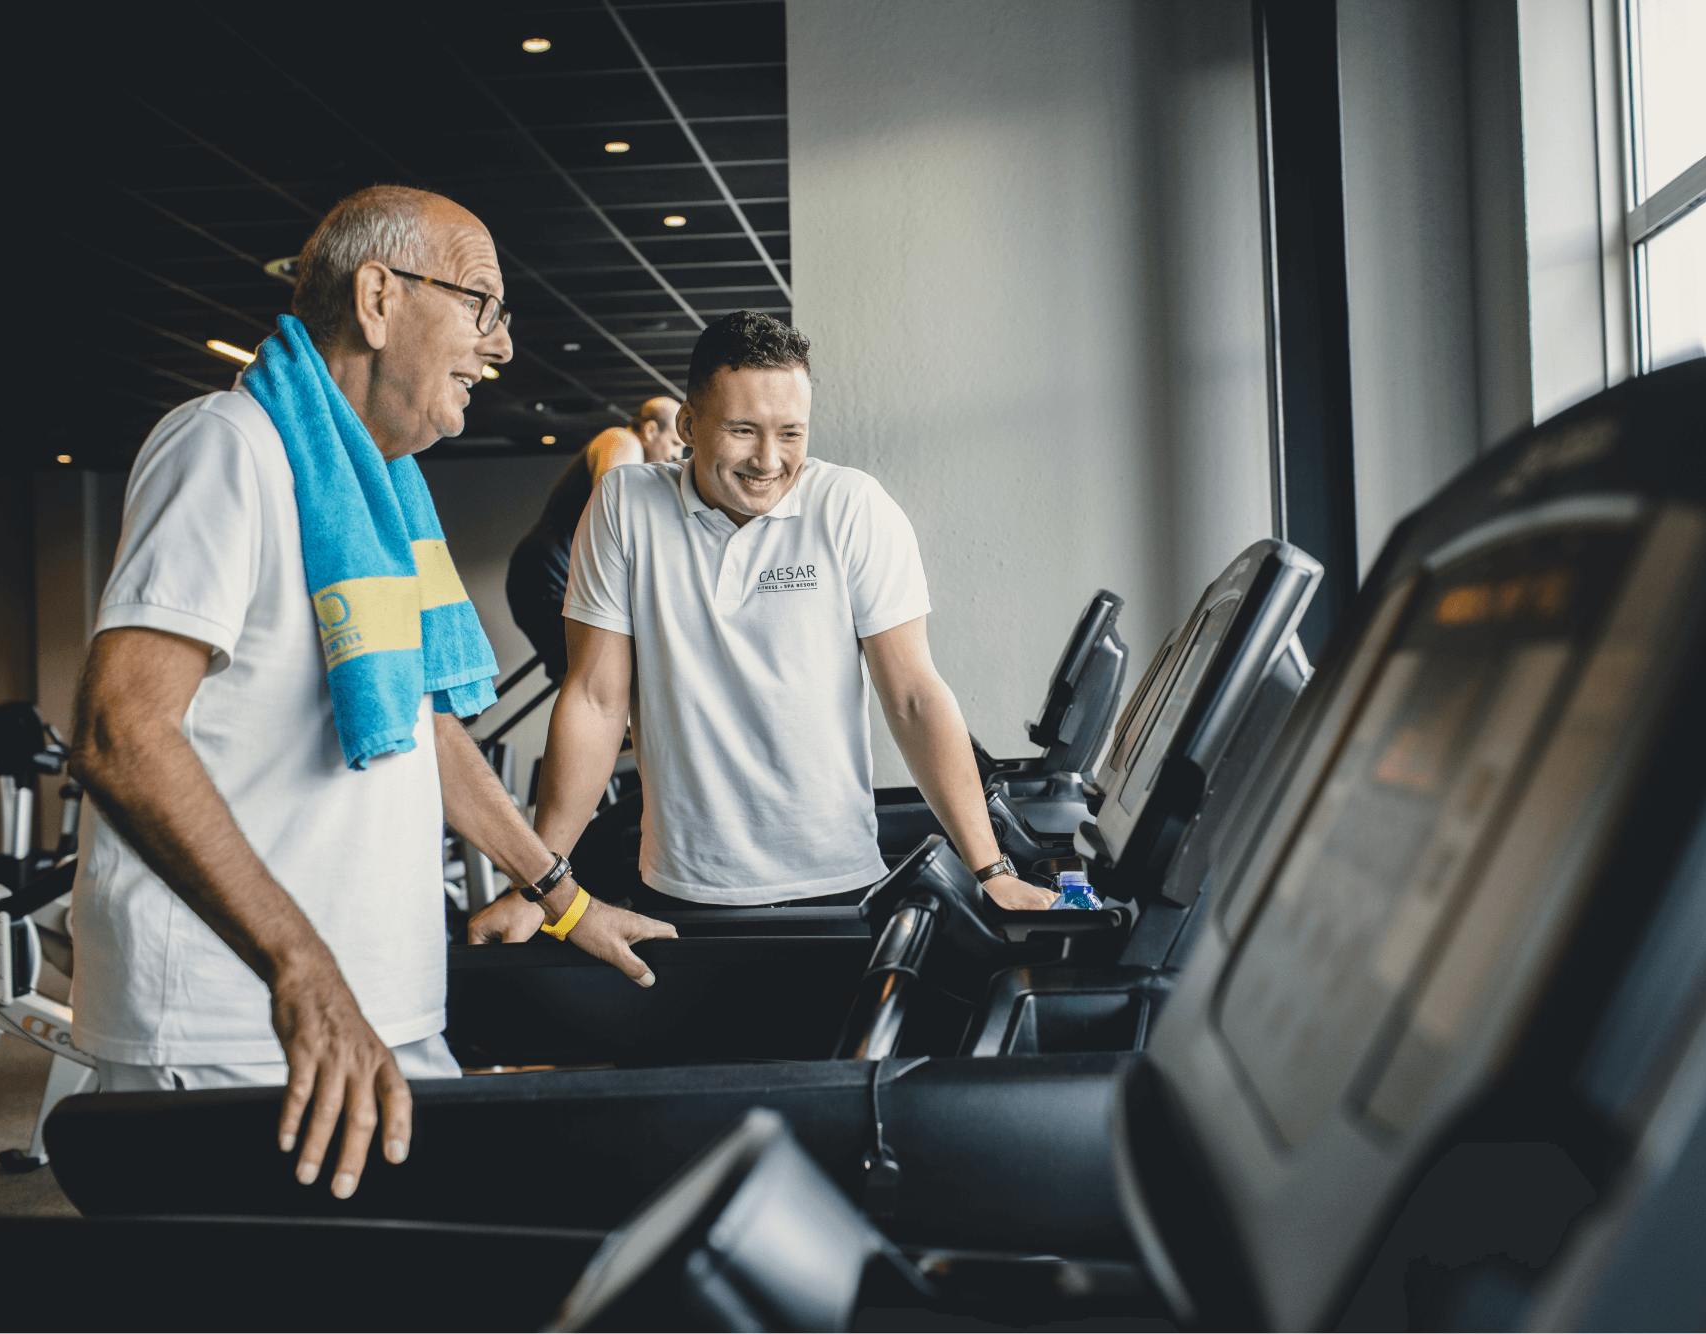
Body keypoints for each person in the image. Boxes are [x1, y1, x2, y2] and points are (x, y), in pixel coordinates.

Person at [66, 185, 674, 1201]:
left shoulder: (379, 488)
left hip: (376, 1002)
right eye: (482, 304)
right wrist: (299, 966)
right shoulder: (229, 444)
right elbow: (120, 728)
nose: (502, 346)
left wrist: (560, 897)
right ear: (379, 296)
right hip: (245, 1016)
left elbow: (421, 730)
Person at [469, 311, 1055, 936]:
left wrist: (990, 870)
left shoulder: (853, 507)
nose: (768, 460)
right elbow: (594, 698)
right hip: (680, 887)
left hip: (838, 884)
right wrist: (540, 887)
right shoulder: (625, 505)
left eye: (790, 433)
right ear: (689, 425)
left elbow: (913, 697)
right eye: (743, 431)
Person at [506, 426, 641, 683]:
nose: (675, 452)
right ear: (652, 429)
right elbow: (613, 515)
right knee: (592, 680)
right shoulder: (624, 440)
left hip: (541, 570)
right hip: (545, 573)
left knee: (590, 678)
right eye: (672, 441)